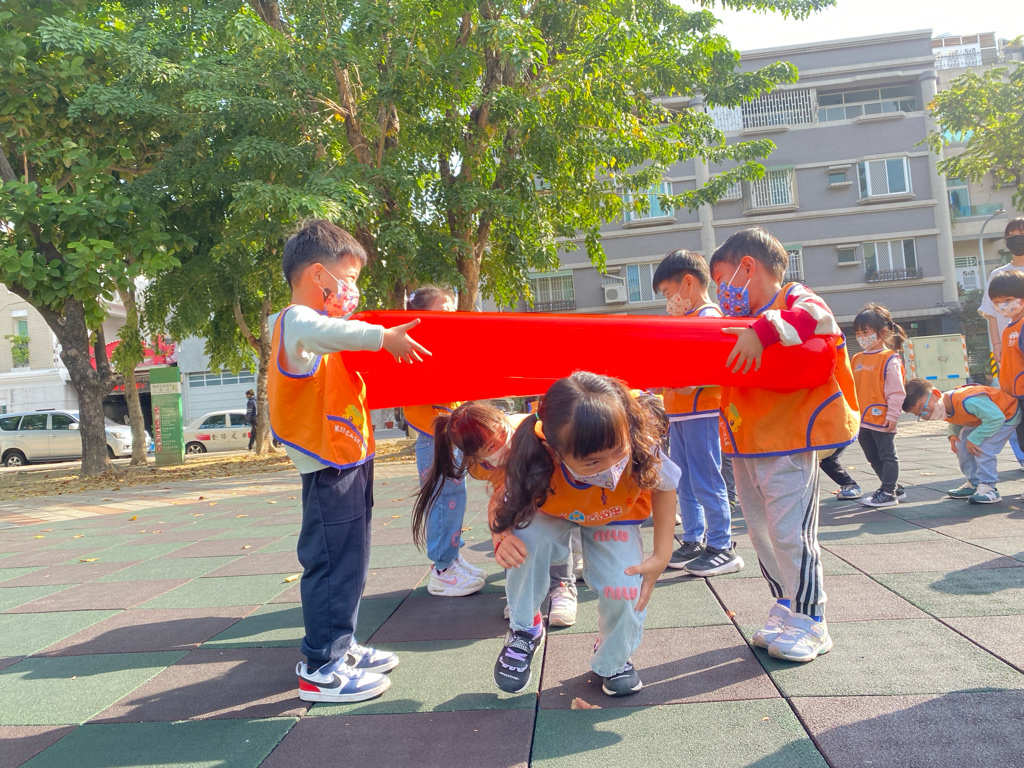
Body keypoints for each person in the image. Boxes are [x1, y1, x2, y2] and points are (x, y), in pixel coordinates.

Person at [268, 219, 430, 704]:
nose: (352, 290)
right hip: (327, 466)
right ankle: (321, 666)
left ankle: (342, 643)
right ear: (318, 275)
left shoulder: (324, 334)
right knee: (331, 562)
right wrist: (382, 337)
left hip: (349, 458)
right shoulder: (295, 321)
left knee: (353, 560)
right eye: (349, 278)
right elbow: (329, 330)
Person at [710, 226, 858, 663]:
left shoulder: (791, 297)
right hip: (747, 442)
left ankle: (812, 618)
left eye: (722, 280)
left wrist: (764, 330)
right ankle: (787, 602)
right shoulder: (740, 321)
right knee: (761, 532)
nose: (722, 292)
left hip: (788, 441)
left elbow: (819, 318)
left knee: (791, 532)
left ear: (747, 268)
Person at [490, 372, 679, 697]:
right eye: (592, 463)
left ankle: (612, 657)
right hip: (555, 511)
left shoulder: (638, 443)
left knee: (625, 589)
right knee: (523, 542)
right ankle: (525, 629)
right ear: (554, 450)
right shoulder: (536, 457)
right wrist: (501, 537)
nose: (610, 467)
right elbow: (501, 498)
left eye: (618, 451)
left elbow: (666, 486)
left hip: (614, 516)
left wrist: (662, 555)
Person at [412, 402, 579, 626]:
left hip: (559, 486)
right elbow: (501, 499)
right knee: (516, 529)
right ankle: (519, 592)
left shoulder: (530, 430)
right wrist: (501, 539)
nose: (503, 442)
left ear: (501, 417)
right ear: (477, 457)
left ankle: (562, 585)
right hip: (520, 487)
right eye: (491, 446)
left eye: (501, 431)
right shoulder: (481, 466)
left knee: (552, 523)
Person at [652, 249, 744, 577]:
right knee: (684, 482)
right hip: (680, 412)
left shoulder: (708, 318)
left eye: (668, 293)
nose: (669, 301)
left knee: (706, 479)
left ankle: (721, 545)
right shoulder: (688, 319)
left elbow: (714, 367)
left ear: (688, 283)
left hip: (702, 411)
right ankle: (694, 539)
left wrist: (681, 380)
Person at [402, 287, 487, 597]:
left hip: (450, 432)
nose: (451, 315)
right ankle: (442, 568)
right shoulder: (415, 347)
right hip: (434, 436)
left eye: (453, 309)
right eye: (443, 310)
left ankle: (452, 556)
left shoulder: (444, 346)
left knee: (454, 497)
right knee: (443, 497)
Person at [904, 379, 1019, 505]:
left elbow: (996, 418)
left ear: (936, 394)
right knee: (961, 443)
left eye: (924, 409)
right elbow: (957, 417)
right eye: (920, 415)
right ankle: (974, 483)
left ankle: (989, 487)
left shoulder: (967, 401)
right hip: (984, 418)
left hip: (1006, 415)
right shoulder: (943, 405)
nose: (926, 415)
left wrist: (975, 438)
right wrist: (953, 433)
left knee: (982, 447)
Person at [851, 304, 908, 508]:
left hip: (881, 417)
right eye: (858, 333)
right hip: (862, 419)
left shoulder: (889, 358)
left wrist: (893, 416)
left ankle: (888, 492)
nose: (861, 337)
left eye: (865, 332)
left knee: (887, 455)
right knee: (872, 457)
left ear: (882, 332)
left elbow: (896, 391)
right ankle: (894, 488)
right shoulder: (856, 359)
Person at [978, 217, 1024, 465]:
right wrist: (996, 346)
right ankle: (1022, 457)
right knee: (1012, 405)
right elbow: (991, 315)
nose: (1017, 238)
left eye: (1021, 233)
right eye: (1012, 234)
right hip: (1008, 347)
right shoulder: (999, 274)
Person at [987, 269, 1024, 461]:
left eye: (1008, 299)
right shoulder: (1009, 328)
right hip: (1014, 395)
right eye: (997, 302)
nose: (1003, 305)